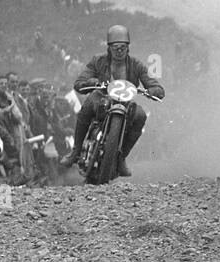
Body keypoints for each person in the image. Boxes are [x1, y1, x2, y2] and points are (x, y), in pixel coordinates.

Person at [61, 25, 165, 178]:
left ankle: (121, 157)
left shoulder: (136, 65)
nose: (119, 51)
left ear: (128, 48)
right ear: (109, 48)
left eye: (123, 47)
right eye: (116, 47)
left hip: (125, 103)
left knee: (141, 115)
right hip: (101, 97)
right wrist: (91, 81)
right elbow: (80, 81)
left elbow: (154, 85)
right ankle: (75, 151)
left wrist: (152, 90)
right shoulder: (98, 61)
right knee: (88, 105)